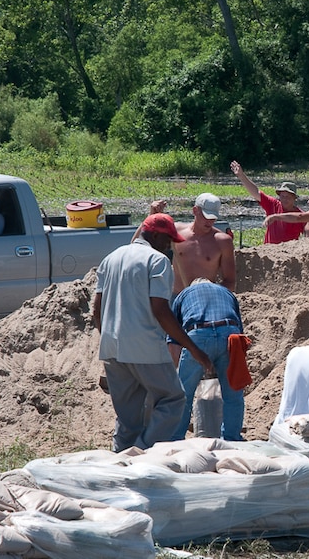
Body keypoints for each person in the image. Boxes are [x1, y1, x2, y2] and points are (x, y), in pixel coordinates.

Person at [94, 213, 215, 452]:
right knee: (173, 399)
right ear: (155, 235)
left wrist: (108, 335)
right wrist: (192, 348)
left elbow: (96, 310)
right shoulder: (156, 261)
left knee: (128, 419)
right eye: (167, 239)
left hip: (111, 348)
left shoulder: (111, 258)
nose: (169, 246)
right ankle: (141, 453)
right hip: (144, 346)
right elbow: (160, 310)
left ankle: (120, 464)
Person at [169, 278, 246, 441]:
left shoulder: (183, 295)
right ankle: (232, 439)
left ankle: (175, 438)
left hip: (198, 334)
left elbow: (174, 340)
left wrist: (175, 373)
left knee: (184, 394)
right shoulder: (226, 293)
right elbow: (240, 331)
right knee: (233, 394)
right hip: (229, 333)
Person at [133, 193, 236, 295]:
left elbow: (230, 281)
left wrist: (211, 295)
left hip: (203, 298)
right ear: (195, 210)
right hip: (175, 296)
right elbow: (135, 245)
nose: (209, 221)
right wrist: (151, 216)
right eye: (206, 216)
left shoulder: (222, 241)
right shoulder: (177, 231)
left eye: (213, 218)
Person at [229, 160, 306, 244]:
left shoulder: (300, 215)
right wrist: (241, 176)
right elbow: (256, 192)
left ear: (294, 198)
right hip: (269, 251)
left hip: (289, 253)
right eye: (282, 196)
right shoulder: (273, 205)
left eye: (288, 197)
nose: (285, 199)